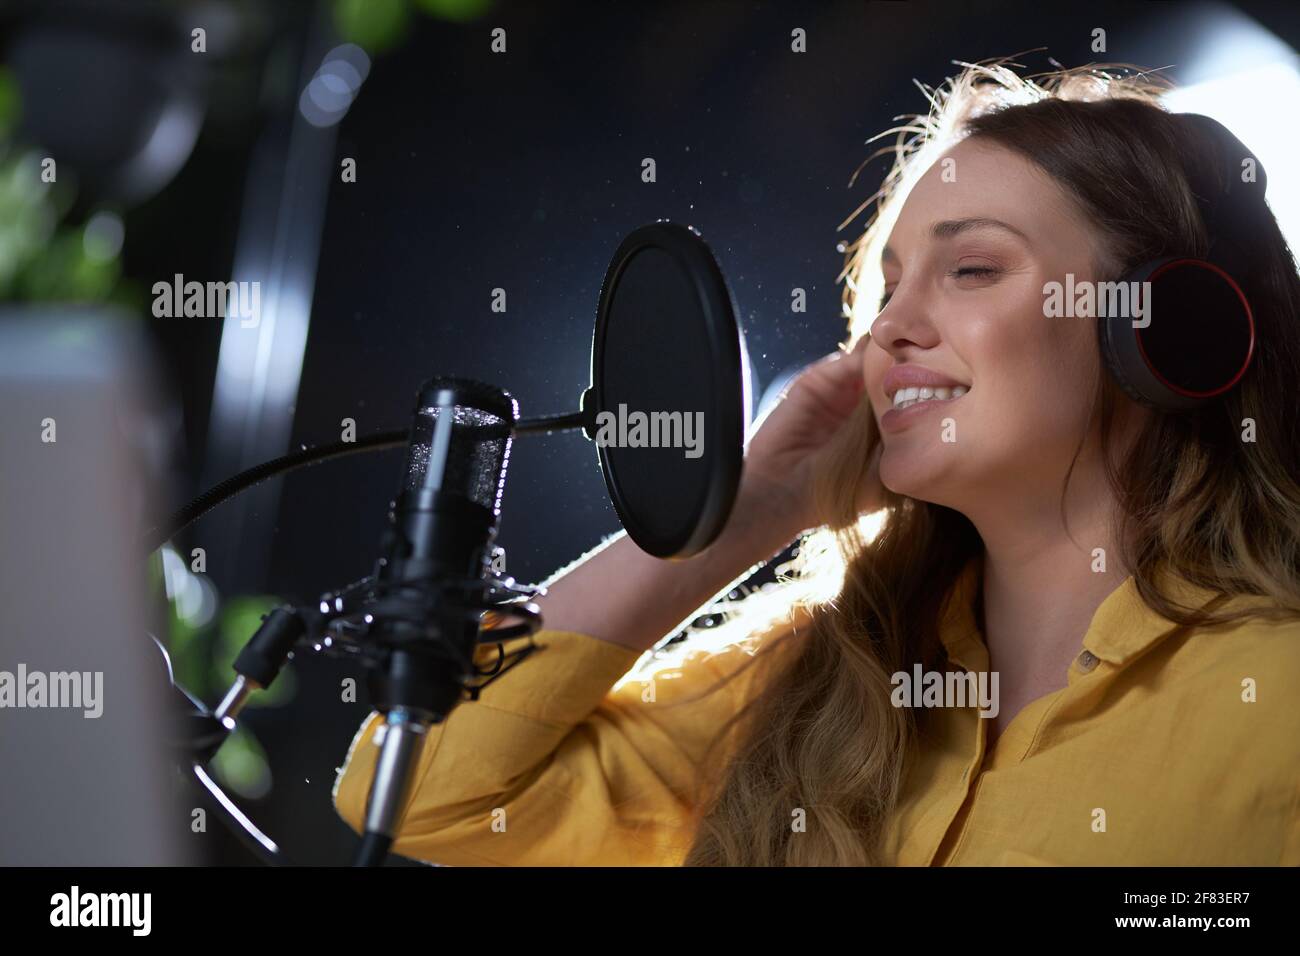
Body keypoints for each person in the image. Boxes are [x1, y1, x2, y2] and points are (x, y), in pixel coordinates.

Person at [333, 58, 1300, 866]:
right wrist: (745, 511)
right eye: (887, 292)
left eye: (971, 270)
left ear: (1168, 328)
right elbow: (419, 787)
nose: (891, 334)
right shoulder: (817, 682)